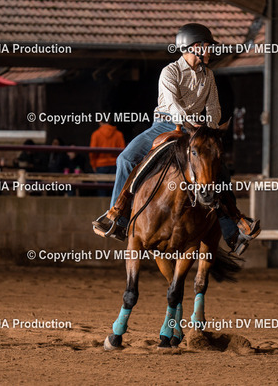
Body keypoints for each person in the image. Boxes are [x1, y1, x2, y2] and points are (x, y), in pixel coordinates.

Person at [92, 23, 260, 254]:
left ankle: (234, 228)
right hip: (165, 124)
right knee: (126, 159)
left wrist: (210, 130)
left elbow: (213, 107)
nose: (211, 50)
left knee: (218, 169)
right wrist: (192, 123)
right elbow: (173, 106)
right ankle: (117, 217)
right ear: (194, 47)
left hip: (197, 129)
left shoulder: (209, 75)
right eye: (207, 46)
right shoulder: (169, 72)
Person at [89, 119, 125, 197]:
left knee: (102, 191)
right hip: (115, 164)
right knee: (114, 191)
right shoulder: (118, 134)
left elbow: (92, 153)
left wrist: (93, 165)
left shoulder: (96, 134)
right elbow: (122, 152)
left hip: (100, 165)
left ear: (99, 121)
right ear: (109, 120)